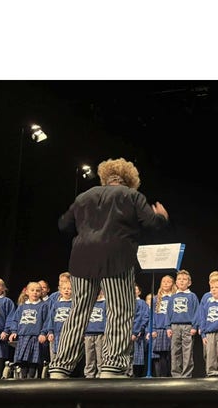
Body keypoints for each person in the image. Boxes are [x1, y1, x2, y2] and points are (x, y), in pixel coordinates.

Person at [48, 158, 168, 379]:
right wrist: (161, 217)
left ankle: (60, 366)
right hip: (116, 257)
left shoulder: (84, 196)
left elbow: (64, 224)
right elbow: (151, 223)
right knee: (120, 310)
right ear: (130, 179)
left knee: (78, 311)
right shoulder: (132, 195)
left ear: (105, 177)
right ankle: (112, 366)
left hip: (81, 258)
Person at [2, 281, 49, 378]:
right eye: (32, 290)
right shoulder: (22, 306)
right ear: (27, 292)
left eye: (37, 291)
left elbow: (47, 321)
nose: (35, 292)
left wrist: (43, 333)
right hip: (23, 337)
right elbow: (15, 320)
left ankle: (31, 378)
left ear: (41, 293)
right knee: (22, 361)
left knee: (33, 361)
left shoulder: (43, 306)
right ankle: (23, 378)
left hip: (35, 337)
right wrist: (14, 331)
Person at [166, 269, 199, 378]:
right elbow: (168, 312)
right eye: (179, 279)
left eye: (184, 279)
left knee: (187, 351)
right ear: (176, 282)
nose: (181, 281)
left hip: (187, 326)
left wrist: (194, 326)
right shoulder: (173, 297)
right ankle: (176, 374)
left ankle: (186, 374)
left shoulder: (192, 296)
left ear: (189, 283)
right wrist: (168, 327)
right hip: (175, 326)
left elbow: (196, 312)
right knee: (175, 351)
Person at [149, 274, 176, 377]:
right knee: (161, 355)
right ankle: (162, 376)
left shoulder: (174, 298)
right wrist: (153, 329)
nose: (166, 283)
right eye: (164, 281)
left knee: (171, 354)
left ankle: (171, 375)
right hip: (159, 329)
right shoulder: (156, 299)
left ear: (173, 284)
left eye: (168, 282)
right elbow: (152, 315)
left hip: (170, 329)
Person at [46, 278, 73, 358]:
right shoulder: (56, 304)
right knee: (55, 354)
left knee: (67, 354)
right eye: (64, 289)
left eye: (69, 289)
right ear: (60, 291)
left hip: (69, 334)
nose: (66, 290)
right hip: (56, 333)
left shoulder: (74, 304)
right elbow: (51, 319)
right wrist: (50, 331)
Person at [83, 290, 107, 379]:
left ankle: (101, 372)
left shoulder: (105, 303)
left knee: (100, 355)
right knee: (89, 355)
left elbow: (107, 318)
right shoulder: (87, 304)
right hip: (88, 333)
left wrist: (106, 332)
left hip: (100, 333)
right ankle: (89, 373)